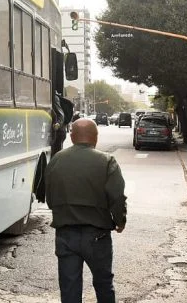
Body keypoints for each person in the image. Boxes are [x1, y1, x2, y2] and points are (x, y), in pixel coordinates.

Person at [45, 118, 127, 303]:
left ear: (72, 137)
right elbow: (117, 197)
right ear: (95, 137)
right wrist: (120, 221)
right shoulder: (107, 161)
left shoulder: (57, 159)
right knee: (103, 283)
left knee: (69, 288)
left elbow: (49, 198)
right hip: (97, 235)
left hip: (65, 234)